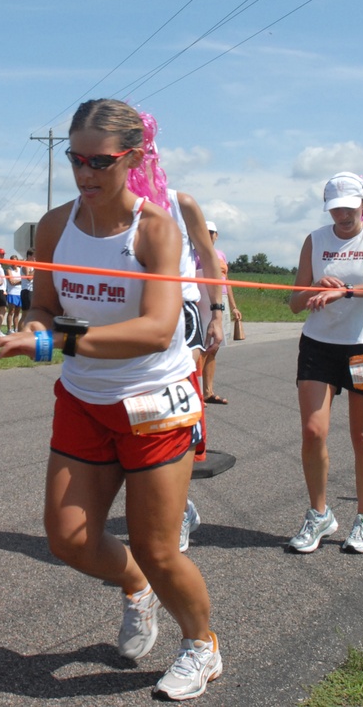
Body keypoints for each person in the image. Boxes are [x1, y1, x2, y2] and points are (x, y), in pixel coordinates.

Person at [0, 98, 221, 700]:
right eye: (75, 159)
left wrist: (57, 340)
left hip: (153, 401)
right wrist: (38, 328)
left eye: (100, 161)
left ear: (134, 157)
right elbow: (41, 303)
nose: (85, 173)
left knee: (158, 546)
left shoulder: (155, 230)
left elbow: (155, 328)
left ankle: (202, 645)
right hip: (84, 398)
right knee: (67, 538)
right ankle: (136, 589)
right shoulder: (53, 225)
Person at [123, 110, 224, 555]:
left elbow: (209, 260)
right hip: (133, 315)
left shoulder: (181, 204)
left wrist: (217, 312)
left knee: (178, 411)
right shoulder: (116, 206)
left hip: (182, 313)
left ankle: (176, 511)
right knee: (140, 413)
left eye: (145, 159)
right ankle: (164, 505)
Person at [287, 172, 363, 554]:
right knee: (312, 431)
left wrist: (348, 292)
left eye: (348, 207)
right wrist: (315, 289)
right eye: (334, 208)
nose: (341, 215)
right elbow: (294, 302)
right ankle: (318, 513)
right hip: (319, 344)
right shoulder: (315, 239)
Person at [197, 221, 242, 405]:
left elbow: (226, 282)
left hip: (220, 299)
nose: (208, 235)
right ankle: (196, 392)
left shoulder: (221, 254)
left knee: (214, 348)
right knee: (201, 348)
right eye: (204, 232)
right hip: (204, 298)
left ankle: (208, 391)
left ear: (216, 235)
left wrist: (234, 306)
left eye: (212, 232)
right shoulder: (196, 253)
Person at [5, 254, 23, 333]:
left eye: (15, 261)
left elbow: (19, 280)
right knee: (11, 311)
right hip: (12, 292)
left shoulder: (20, 269)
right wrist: (21, 281)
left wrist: (17, 281)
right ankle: (9, 329)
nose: (14, 263)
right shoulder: (9, 270)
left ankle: (16, 329)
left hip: (19, 292)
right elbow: (11, 282)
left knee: (17, 312)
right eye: (12, 261)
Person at [20, 248, 35, 325]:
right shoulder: (25, 265)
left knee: (31, 315)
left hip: (32, 291)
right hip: (26, 291)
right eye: (34, 256)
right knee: (25, 315)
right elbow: (29, 278)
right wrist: (36, 268)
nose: (35, 257)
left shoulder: (32, 266)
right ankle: (19, 333)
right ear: (29, 256)